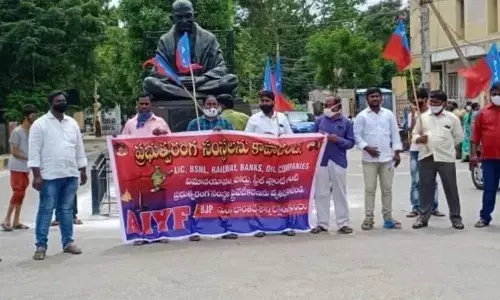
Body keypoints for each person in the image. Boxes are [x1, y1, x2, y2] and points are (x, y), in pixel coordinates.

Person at [28, 91, 88, 260]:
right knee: (46, 210)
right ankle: (41, 245)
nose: (62, 102)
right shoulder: (40, 125)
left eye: (63, 100)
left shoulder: (72, 123)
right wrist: (37, 175)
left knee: (66, 210)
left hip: (70, 173)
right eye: (58, 100)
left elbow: (79, 147)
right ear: (51, 103)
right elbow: (34, 152)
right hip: (49, 176)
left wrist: (83, 169)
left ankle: (68, 242)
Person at [121, 93, 170, 246]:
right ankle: (140, 234)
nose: (143, 107)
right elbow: (122, 145)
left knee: (157, 202)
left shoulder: (160, 122)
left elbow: (172, 143)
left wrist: (162, 135)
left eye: (146, 104)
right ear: (137, 105)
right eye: (141, 104)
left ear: (151, 105)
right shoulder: (130, 123)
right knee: (139, 203)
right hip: (137, 170)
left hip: (156, 171)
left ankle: (159, 232)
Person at [411, 90, 464, 230]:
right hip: (426, 156)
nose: (433, 105)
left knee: (451, 188)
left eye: (436, 102)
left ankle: (456, 218)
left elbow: (459, 137)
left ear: (444, 103)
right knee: (425, 188)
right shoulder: (423, 118)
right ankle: (422, 217)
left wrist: (446, 145)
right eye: (431, 102)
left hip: (446, 158)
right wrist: (418, 139)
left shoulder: (452, 118)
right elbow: (414, 134)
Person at [245, 90, 293, 237]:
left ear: (273, 102)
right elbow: (246, 140)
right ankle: (259, 226)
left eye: (267, 101)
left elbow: (291, 138)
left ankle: (284, 225)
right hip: (260, 164)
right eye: (262, 101)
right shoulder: (253, 119)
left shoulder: (282, 118)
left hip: (279, 163)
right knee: (261, 195)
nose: (264, 103)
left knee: (280, 194)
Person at [353, 87, 402, 230]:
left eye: (377, 96)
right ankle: (368, 218)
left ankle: (388, 218)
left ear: (382, 98)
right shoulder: (361, 116)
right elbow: (357, 135)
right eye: (372, 97)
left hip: (387, 158)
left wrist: (397, 152)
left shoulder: (388, 115)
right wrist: (366, 147)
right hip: (369, 159)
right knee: (370, 189)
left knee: (387, 189)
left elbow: (395, 134)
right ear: (367, 99)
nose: (375, 99)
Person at [311, 96, 355, 235]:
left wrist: (337, 139)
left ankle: (343, 223)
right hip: (322, 161)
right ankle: (322, 223)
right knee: (321, 193)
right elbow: (311, 140)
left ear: (337, 106)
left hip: (338, 161)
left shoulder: (346, 122)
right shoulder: (319, 121)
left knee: (340, 193)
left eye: (329, 105)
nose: (327, 108)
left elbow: (351, 143)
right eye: (326, 105)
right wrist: (318, 137)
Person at [406, 88, 444, 218]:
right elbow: (411, 131)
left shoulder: (431, 113)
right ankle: (416, 206)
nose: (418, 101)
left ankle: (433, 206)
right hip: (416, 150)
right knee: (416, 180)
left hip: (430, 150)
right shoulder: (412, 113)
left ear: (426, 100)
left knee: (432, 180)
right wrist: (414, 116)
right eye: (415, 99)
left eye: (421, 99)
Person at [2, 105, 37, 232]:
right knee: (18, 192)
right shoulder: (17, 132)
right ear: (26, 116)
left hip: (26, 167)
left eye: (35, 115)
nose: (34, 117)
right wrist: (30, 157)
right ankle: (6, 219)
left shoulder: (33, 131)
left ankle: (16, 221)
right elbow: (14, 151)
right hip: (17, 166)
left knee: (21, 194)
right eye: (32, 115)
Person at [471, 83, 500, 228]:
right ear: (490, 94)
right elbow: (475, 136)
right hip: (489, 159)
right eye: (495, 93)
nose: (497, 96)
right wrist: (473, 155)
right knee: (489, 189)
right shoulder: (483, 113)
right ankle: (485, 217)